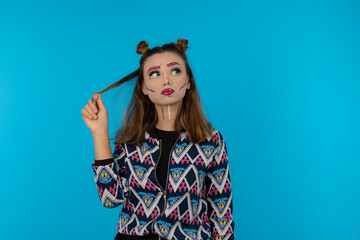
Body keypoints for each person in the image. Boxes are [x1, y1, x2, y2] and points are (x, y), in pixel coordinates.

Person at [81, 39, 236, 240]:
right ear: (144, 88)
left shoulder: (211, 141)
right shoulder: (130, 141)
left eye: (175, 71)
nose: (166, 80)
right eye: (155, 74)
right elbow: (111, 198)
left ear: (188, 81)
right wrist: (99, 132)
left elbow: (221, 209)